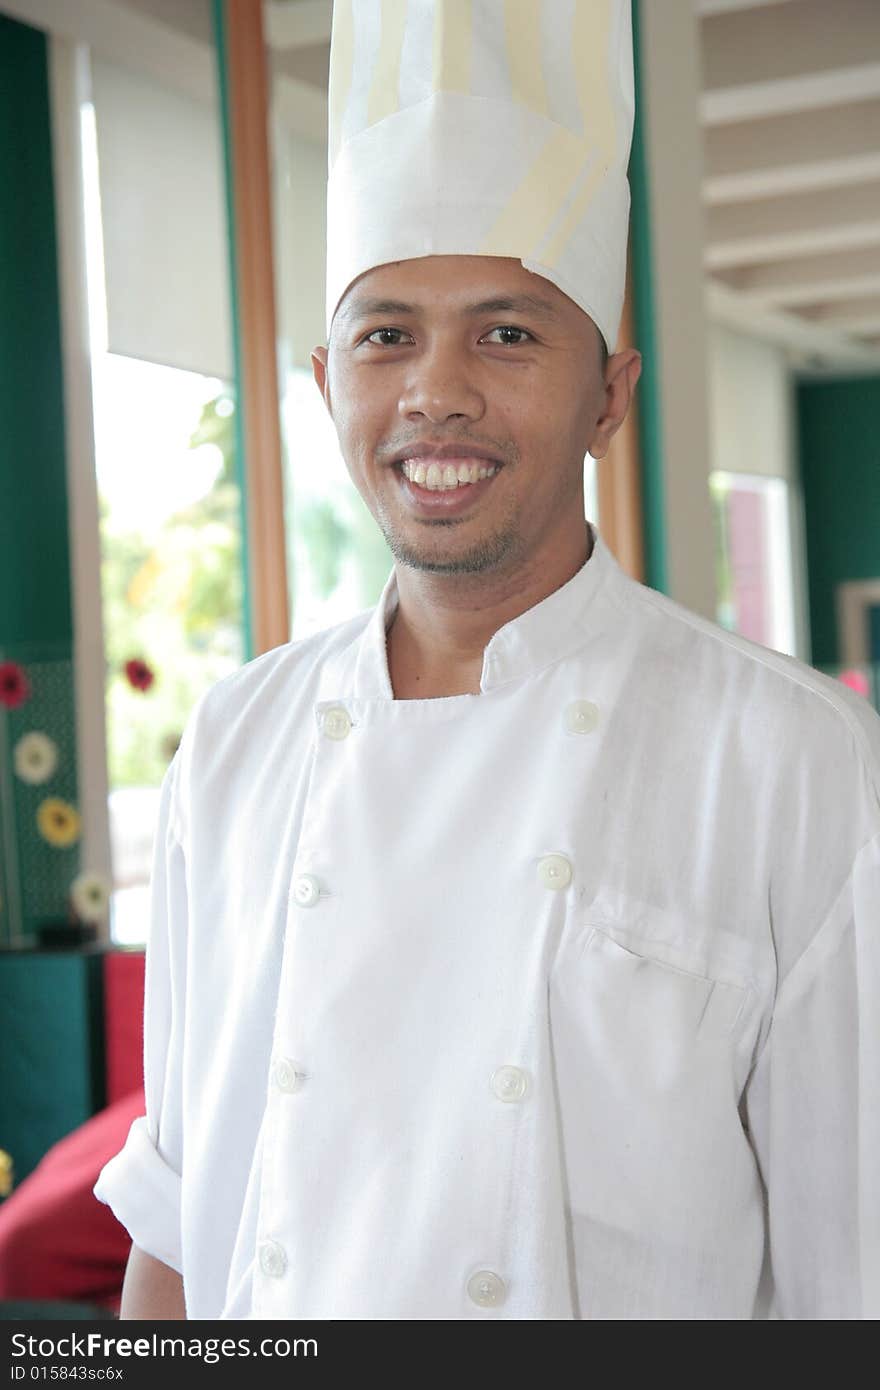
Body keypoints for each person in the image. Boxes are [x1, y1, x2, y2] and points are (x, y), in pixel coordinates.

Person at [94, 0, 880, 1319]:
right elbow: (176, 1225)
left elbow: (849, 1270)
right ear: (324, 378)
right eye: (385, 334)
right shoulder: (236, 744)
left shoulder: (791, 760)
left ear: (608, 395)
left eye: (508, 332)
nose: (435, 393)